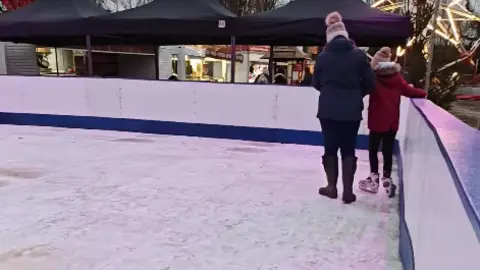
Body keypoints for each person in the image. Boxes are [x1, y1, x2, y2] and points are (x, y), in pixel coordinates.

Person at [313, 11, 376, 204]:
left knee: (330, 147)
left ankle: (331, 187)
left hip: (328, 110)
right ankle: (347, 192)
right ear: (345, 35)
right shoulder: (359, 56)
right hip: (351, 111)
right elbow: (371, 83)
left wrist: (329, 91)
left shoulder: (322, 57)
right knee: (348, 149)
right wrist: (356, 94)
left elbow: (316, 83)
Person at [359, 47, 426, 197]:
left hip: (376, 120)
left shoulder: (373, 77)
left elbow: (361, 90)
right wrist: (423, 93)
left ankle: (374, 177)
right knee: (387, 150)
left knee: (373, 149)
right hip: (391, 122)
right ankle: (387, 177)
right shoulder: (397, 78)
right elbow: (411, 92)